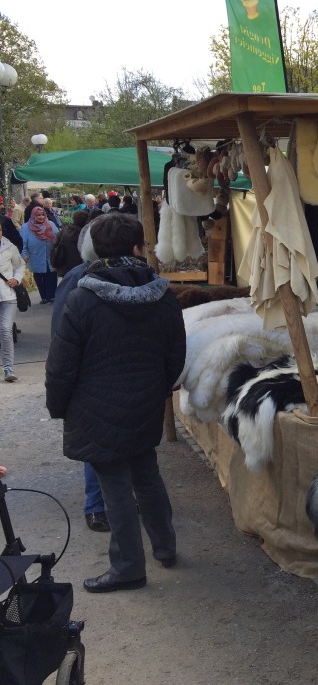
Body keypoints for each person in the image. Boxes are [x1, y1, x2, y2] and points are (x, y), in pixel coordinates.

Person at [46, 213, 185, 593]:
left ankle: (127, 568)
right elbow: (176, 354)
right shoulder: (163, 296)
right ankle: (165, 547)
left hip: (95, 409)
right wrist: (158, 389)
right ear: (139, 247)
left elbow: (60, 366)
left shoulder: (81, 299)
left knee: (116, 487)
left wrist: (58, 407)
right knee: (147, 474)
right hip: (145, 403)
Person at [50, 217, 108, 532]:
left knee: (114, 443)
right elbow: (62, 338)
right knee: (97, 445)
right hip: (90, 377)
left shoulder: (131, 276)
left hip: (112, 375)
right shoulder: (79, 279)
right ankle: (96, 506)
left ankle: (109, 502)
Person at [0, 228, 26, 383]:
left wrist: (16, 279)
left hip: (7, 296)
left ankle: (8, 368)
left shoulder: (9, 247)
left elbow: (20, 266)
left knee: (5, 329)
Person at [19, 206, 58, 304]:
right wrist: (24, 255)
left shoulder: (51, 224)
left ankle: (52, 296)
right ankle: (44, 297)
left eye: (42, 215)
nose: (41, 217)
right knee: (40, 278)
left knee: (52, 276)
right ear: (33, 216)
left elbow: (58, 238)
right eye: (38, 215)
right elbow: (22, 244)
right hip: (35, 256)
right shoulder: (26, 227)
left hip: (50, 255)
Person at [50, 210, 88, 278]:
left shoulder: (63, 231)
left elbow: (54, 246)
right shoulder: (84, 234)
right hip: (80, 268)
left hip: (64, 267)